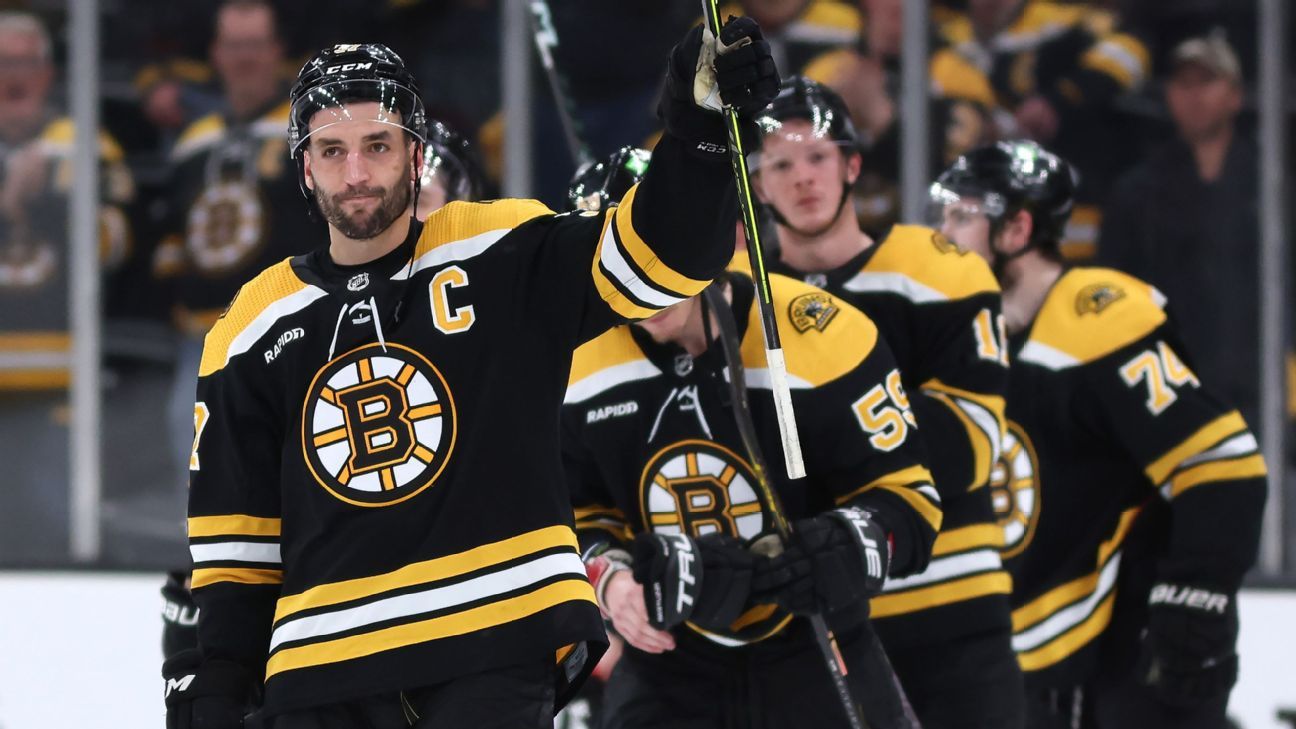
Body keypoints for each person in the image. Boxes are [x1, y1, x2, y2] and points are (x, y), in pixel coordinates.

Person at [162, 13, 781, 728]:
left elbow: (665, 259)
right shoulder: (250, 323)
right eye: (331, 150)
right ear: (304, 165)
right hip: (322, 665)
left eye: (377, 145)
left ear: (416, 152)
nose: (356, 172)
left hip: (494, 634)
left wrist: (698, 130)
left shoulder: (503, 247)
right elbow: (237, 551)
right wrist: (211, 690)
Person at [563, 149, 942, 729]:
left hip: (817, 644)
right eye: (614, 260)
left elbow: (912, 502)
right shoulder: (571, 366)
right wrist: (610, 581)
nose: (638, 283)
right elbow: (570, 514)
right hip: (670, 666)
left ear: (708, 237)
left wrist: (852, 541)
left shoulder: (826, 333)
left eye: (654, 251)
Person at [933, 140, 1267, 728]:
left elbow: (1223, 465)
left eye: (963, 215)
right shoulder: (975, 339)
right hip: (1036, 664)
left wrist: (1195, 599)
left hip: (1132, 654)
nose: (944, 234)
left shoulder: (1096, 317)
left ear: (1018, 228)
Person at [757, 78, 1022, 728]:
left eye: (817, 157)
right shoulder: (739, 304)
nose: (802, 179)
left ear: (852, 164)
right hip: (817, 633)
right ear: (756, 184)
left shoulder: (939, 272)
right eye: (780, 164)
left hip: (956, 620)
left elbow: (968, 446)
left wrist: (818, 451)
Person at [153, 0, 310, 488]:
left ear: (277, 51)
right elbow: (174, 232)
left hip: (286, 330)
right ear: (216, 54)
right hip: (202, 338)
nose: (245, 57)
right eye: (235, 46)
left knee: (289, 465)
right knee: (197, 465)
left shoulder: (308, 129)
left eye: (256, 45)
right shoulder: (192, 140)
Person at [0, 10, 134, 563]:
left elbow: (117, 244)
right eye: (2, 63)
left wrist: (47, 202)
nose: (14, 76)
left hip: (61, 386)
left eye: (25, 63)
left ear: (49, 74)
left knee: (54, 549)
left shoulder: (84, 144)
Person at [1097, 33, 1262, 434]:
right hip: (1170, 388)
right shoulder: (1136, 191)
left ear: (1235, 95)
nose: (1194, 95)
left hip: (1260, 385)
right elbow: (1117, 291)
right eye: (1182, 84)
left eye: (1207, 81)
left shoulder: (1270, 183)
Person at [939, 0, 1150, 260]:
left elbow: (1132, 50)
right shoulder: (944, 37)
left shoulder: (1066, 25)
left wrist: (1060, 99)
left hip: (1067, 210)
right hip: (974, 212)